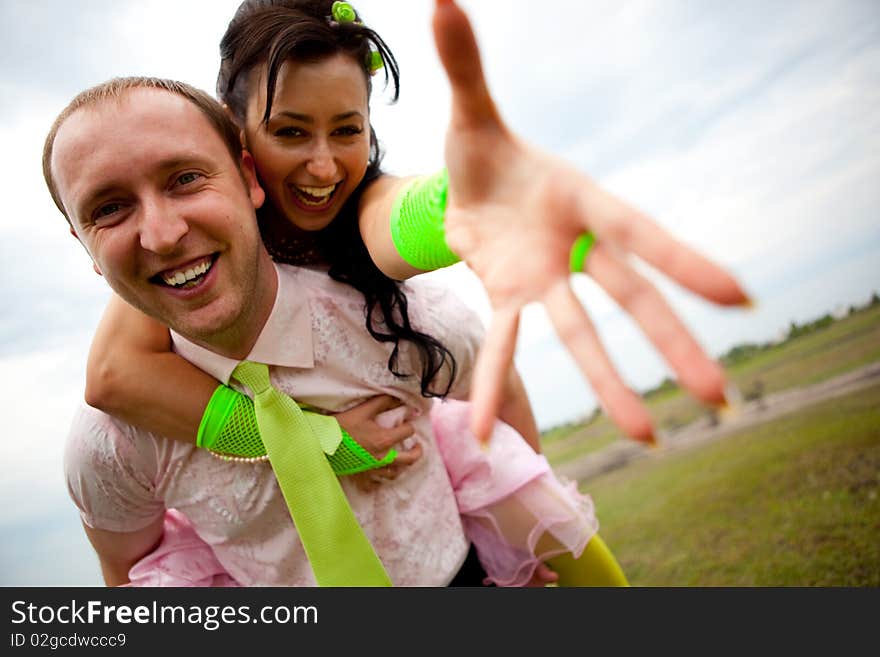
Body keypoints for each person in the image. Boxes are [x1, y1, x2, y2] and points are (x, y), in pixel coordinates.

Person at [50, 1, 747, 586]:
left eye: (347, 130)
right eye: (290, 131)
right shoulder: (179, 247)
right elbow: (112, 374)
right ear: (240, 143)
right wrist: (320, 440)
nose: (323, 164)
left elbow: (393, 223)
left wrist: (468, 207)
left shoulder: (367, 240)